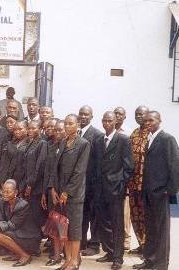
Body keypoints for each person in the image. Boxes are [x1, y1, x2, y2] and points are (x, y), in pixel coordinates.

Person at [133, 111, 179, 270]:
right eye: (145, 121)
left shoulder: (167, 139)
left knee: (161, 230)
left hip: (161, 193)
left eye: (151, 120)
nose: (147, 123)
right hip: (148, 193)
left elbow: (174, 166)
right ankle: (149, 260)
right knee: (150, 229)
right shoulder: (149, 139)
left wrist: (170, 190)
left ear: (160, 120)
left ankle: (160, 264)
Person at [49, 114, 91, 270]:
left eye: (70, 123)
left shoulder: (83, 144)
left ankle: (74, 261)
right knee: (62, 228)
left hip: (73, 195)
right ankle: (67, 260)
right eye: (65, 123)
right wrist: (53, 188)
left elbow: (79, 171)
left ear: (77, 125)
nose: (67, 126)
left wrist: (67, 192)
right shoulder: (62, 142)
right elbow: (55, 167)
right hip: (59, 193)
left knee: (74, 229)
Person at [94, 112, 134, 270]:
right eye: (104, 120)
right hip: (100, 189)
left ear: (116, 121)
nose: (106, 123)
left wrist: (121, 185)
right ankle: (109, 252)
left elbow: (129, 166)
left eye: (110, 120)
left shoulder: (123, 139)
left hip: (115, 189)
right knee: (104, 222)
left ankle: (118, 258)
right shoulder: (98, 140)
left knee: (117, 224)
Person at [0, 179, 41, 267]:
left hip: (30, 238)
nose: (5, 194)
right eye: (3, 191)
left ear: (16, 192)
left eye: (8, 192)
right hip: (18, 234)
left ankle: (25, 255)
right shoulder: (3, 203)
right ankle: (17, 254)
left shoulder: (23, 205)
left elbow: (13, 225)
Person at [78, 105, 104, 256]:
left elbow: (100, 163)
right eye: (81, 114)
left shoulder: (97, 135)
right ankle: (81, 242)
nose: (82, 117)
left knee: (94, 215)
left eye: (86, 114)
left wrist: (96, 184)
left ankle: (94, 245)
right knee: (82, 215)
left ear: (91, 117)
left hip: (92, 184)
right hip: (79, 184)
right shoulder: (76, 133)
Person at [42, 119, 67, 266]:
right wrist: (49, 190)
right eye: (56, 130)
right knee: (54, 224)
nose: (57, 132)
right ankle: (56, 254)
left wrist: (64, 191)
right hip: (53, 192)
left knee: (65, 226)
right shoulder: (51, 147)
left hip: (66, 193)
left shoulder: (71, 147)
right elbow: (49, 172)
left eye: (60, 130)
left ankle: (66, 255)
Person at [127, 106, 150, 255]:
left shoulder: (151, 134)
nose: (139, 116)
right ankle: (141, 243)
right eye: (136, 114)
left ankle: (148, 246)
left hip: (146, 184)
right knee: (135, 216)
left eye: (141, 114)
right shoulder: (134, 133)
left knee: (146, 216)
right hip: (133, 183)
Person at [20, 120, 47, 229]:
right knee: (31, 212)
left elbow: (39, 166)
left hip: (36, 185)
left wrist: (30, 185)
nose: (30, 130)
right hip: (28, 182)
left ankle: (38, 236)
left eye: (33, 128)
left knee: (37, 213)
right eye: (29, 128)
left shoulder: (42, 143)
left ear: (40, 129)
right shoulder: (31, 142)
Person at [113, 106, 133, 250]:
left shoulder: (128, 133)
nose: (117, 116)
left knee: (125, 213)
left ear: (124, 117)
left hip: (122, 180)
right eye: (116, 114)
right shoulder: (109, 133)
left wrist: (123, 181)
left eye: (120, 114)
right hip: (111, 181)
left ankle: (126, 240)